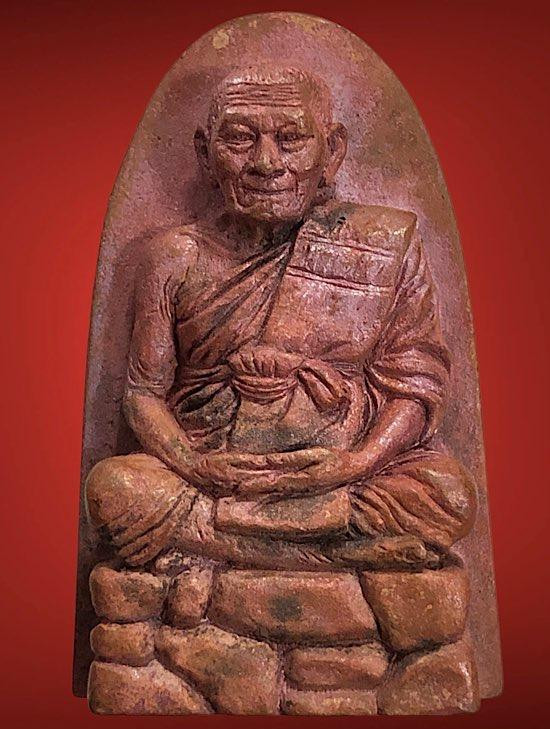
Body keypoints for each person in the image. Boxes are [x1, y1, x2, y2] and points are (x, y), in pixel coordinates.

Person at [86, 67, 475, 569]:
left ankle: (218, 540)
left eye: (291, 140)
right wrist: (195, 465)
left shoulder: (381, 245)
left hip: (338, 470)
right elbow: (143, 393)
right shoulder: (175, 257)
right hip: (215, 471)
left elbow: (414, 385)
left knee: (448, 495)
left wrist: (354, 463)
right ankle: (336, 548)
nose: (266, 164)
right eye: (240, 139)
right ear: (205, 152)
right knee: (115, 489)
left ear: (332, 152)